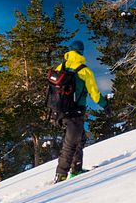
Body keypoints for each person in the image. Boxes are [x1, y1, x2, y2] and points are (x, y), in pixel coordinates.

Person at [53, 40, 109, 184]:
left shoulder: (61, 66)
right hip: (75, 112)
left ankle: (76, 169)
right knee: (70, 143)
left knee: (80, 138)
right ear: (81, 53)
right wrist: (105, 105)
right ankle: (61, 175)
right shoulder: (84, 71)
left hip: (61, 110)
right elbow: (94, 94)